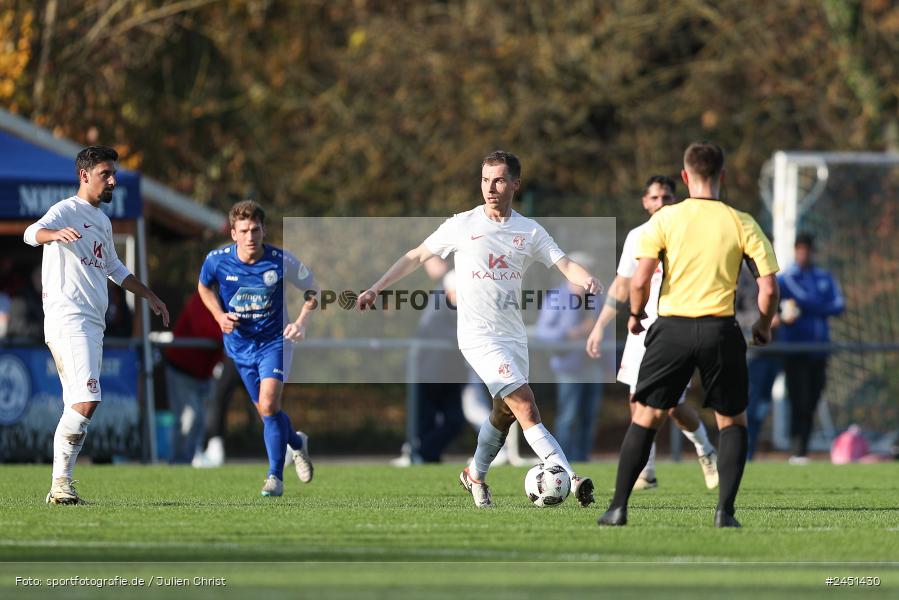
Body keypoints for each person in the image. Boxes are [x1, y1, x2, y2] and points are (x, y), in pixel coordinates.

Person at [358, 150, 601, 508]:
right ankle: (566, 472)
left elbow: (563, 263)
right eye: (486, 180)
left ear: (515, 184)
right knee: (525, 405)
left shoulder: (528, 230)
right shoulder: (462, 224)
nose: (491, 187)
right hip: (477, 336)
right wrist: (377, 287)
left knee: (503, 413)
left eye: (500, 180)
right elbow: (416, 256)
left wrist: (587, 279)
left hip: (513, 337)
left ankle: (475, 473)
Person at [596, 142, 779, 528]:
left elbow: (640, 278)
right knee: (732, 421)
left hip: (672, 329)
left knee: (645, 416)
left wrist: (634, 316)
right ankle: (724, 513)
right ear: (722, 176)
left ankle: (617, 508)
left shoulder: (665, 220)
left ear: (684, 176)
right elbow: (769, 289)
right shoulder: (740, 221)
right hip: (720, 328)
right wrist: (762, 325)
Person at [23, 145, 170, 505]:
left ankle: (60, 486)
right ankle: (60, 483)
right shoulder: (66, 210)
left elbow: (115, 269)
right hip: (69, 317)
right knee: (88, 400)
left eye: (113, 174)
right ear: (84, 176)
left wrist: (149, 294)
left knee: (77, 402)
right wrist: (54, 235)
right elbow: (31, 232)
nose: (113, 180)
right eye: (106, 174)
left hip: (92, 323)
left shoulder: (102, 221)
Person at [586, 175, 718, 490]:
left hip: (677, 327)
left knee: (671, 405)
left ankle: (705, 449)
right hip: (641, 329)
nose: (661, 203)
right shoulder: (637, 237)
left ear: (676, 200)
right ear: (645, 202)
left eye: (667, 197)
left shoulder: (687, 234)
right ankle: (647, 471)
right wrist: (600, 325)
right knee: (636, 398)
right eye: (655, 198)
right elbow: (623, 284)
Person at [197, 200, 316, 496]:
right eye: (244, 231)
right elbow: (204, 287)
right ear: (234, 234)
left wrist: (301, 323)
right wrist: (219, 315)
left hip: (275, 342)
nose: (251, 236)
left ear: (263, 231)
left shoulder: (281, 260)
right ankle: (298, 443)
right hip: (239, 348)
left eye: (256, 230)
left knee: (268, 404)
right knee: (268, 411)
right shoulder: (217, 260)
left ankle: (274, 478)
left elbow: (313, 292)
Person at [777, 233, 844, 464]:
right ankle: (799, 450)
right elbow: (776, 306)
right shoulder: (786, 279)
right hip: (796, 350)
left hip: (820, 350)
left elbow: (838, 305)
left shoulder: (824, 277)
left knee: (813, 397)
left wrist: (808, 307)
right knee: (799, 399)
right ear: (796, 251)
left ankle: (801, 448)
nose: (804, 254)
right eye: (800, 250)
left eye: (807, 250)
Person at [534, 251, 603, 462]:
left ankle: (582, 458)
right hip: (568, 366)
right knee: (568, 415)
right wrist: (570, 334)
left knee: (589, 415)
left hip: (593, 365)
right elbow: (542, 332)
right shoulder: (556, 296)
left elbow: (604, 332)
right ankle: (561, 460)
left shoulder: (596, 298)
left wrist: (611, 364)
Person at [164, 290, 224, 464]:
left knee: (200, 420)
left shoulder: (228, 302)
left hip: (203, 372)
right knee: (187, 418)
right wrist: (231, 332)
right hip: (182, 368)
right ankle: (179, 463)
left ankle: (189, 460)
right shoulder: (201, 299)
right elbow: (205, 331)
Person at [735, 263, 782, 460]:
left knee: (762, 405)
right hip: (750, 353)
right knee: (749, 405)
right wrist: (764, 319)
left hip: (771, 352)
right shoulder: (740, 278)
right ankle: (742, 453)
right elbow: (730, 314)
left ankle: (749, 451)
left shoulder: (772, 277)